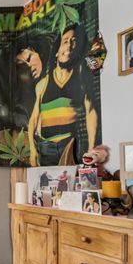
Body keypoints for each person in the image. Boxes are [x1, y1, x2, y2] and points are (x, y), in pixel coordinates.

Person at [27, 24, 99, 166]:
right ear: (56, 51)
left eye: (74, 41)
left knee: (71, 180)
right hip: (46, 148)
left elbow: (91, 112)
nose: (69, 45)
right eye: (65, 41)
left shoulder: (81, 79)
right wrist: (32, 149)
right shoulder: (42, 84)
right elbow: (34, 119)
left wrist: (91, 148)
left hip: (71, 145)